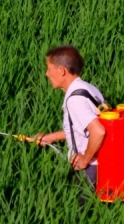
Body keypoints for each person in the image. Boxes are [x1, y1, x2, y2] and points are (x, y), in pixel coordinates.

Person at [32, 45, 108, 188]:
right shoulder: (88, 89)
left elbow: (98, 131)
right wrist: (50, 138)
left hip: (90, 169)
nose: (46, 74)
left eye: (49, 69)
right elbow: (83, 129)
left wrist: (85, 159)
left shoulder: (75, 100)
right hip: (102, 165)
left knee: (82, 209)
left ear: (61, 71)